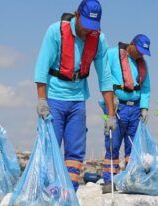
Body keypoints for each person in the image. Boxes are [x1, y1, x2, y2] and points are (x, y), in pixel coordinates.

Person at [34, 0, 116, 191]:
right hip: (54, 97)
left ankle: (68, 193)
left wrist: (110, 113)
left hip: (78, 99)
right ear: (76, 15)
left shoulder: (98, 40)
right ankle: (46, 192)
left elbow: (105, 77)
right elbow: (41, 67)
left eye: (92, 27)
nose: (88, 31)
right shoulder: (56, 31)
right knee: (49, 147)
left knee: (76, 151)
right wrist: (41, 100)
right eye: (85, 25)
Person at [100, 34, 151, 193]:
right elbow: (103, 76)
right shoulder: (112, 54)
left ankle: (130, 179)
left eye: (143, 52)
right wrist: (110, 100)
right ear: (131, 44)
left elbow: (146, 88)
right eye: (139, 50)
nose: (140, 55)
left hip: (134, 109)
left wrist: (144, 107)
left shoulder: (143, 64)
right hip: (117, 107)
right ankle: (110, 181)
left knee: (133, 147)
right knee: (112, 145)